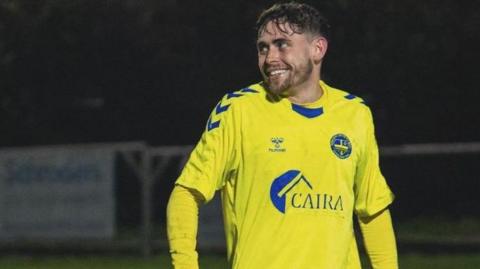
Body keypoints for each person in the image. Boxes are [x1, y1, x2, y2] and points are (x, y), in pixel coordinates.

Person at [167, 2, 398, 269]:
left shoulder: (355, 114)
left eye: (282, 44)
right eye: (262, 47)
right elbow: (186, 193)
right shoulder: (238, 110)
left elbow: (373, 210)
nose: (270, 58)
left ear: (318, 49)